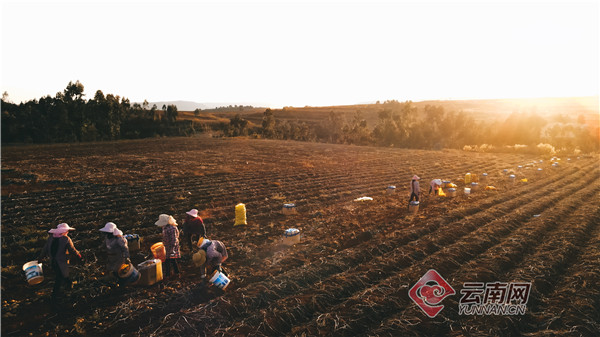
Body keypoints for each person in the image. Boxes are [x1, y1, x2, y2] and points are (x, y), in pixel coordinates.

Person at [38, 223, 82, 305]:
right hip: (61, 262)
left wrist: (41, 257)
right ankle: (55, 295)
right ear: (64, 231)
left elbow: (45, 249)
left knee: (61, 275)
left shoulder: (51, 238)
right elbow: (72, 249)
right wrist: (79, 255)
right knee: (60, 278)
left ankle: (68, 286)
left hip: (53, 262)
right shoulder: (66, 239)